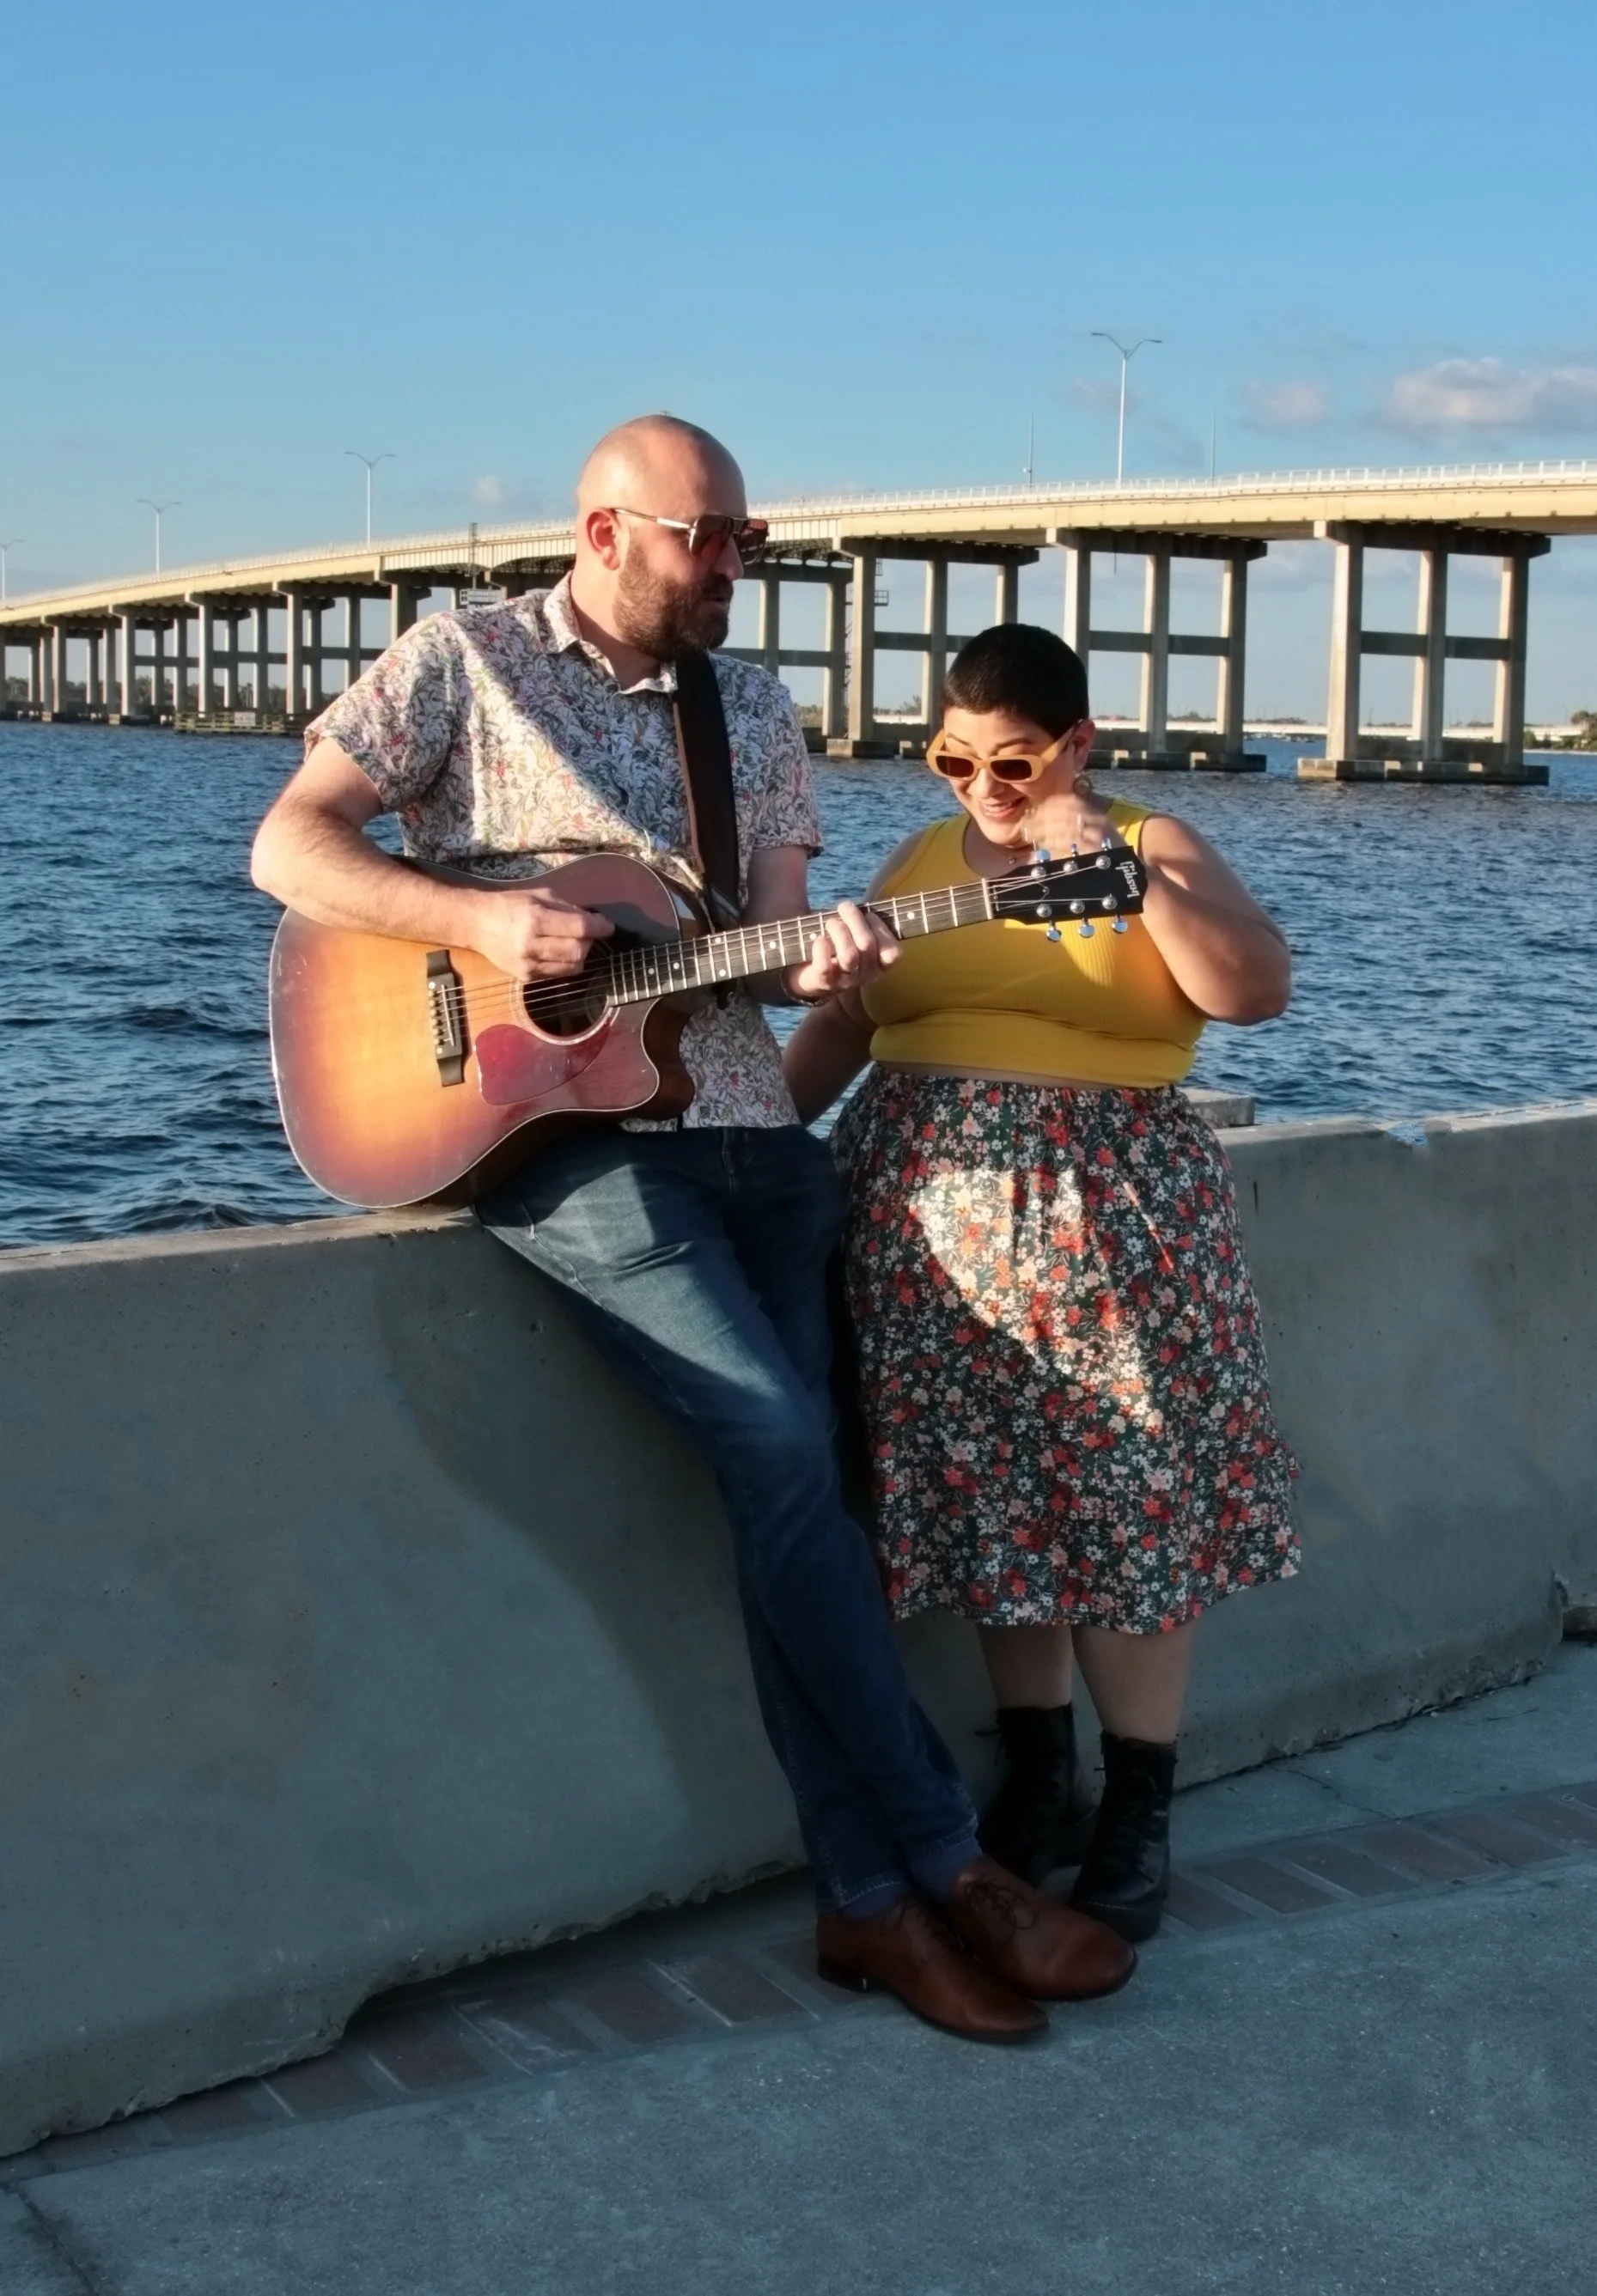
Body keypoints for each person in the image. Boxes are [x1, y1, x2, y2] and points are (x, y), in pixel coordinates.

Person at [250, 417, 1134, 2040]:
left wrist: (820, 964)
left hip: (749, 1127)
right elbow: (287, 844)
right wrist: (481, 918)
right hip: (564, 1141)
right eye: (705, 538)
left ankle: (870, 1909)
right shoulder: (461, 660)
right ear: (603, 530)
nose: (734, 566)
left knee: (812, 1494)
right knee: (785, 1457)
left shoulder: (753, 705)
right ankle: (956, 1868)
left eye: (747, 540)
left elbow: (776, 930)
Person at [784, 621, 1299, 1941]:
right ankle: (1036, 1778)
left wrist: (1119, 876)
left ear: (1078, 744)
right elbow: (845, 1026)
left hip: (1113, 1228)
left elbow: (1251, 990)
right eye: (950, 761)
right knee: (990, 1507)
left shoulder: (1147, 840)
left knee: (1126, 1504)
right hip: (924, 1244)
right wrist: (739, 1147)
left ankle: (1138, 1809)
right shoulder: (917, 861)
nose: (978, 791)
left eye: (1011, 765)